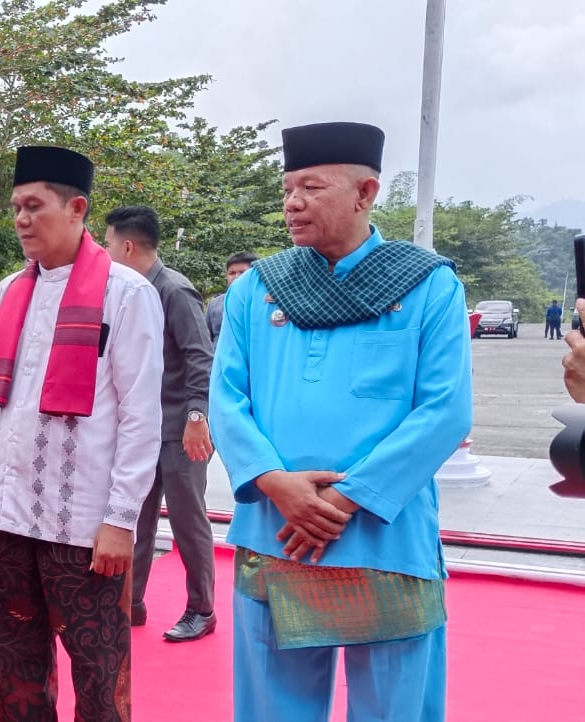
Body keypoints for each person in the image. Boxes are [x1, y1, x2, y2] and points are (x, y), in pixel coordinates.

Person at [211, 122, 472, 721]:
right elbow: (225, 397)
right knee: (273, 704)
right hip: (277, 529)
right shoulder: (258, 288)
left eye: (311, 187)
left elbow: (446, 410)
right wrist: (275, 482)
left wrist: (344, 499)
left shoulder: (428, 285)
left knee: (392, 704)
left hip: (382, 535)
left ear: (365, 192)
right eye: (287, 189)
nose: (292, 202)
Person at [0, 146, 164, 722]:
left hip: (84, 525)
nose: (21, 219)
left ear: (77, 209)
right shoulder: (5, 293)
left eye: (34, 206)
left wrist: (121, 519)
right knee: (18, 669)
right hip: (10, 517)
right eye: (16, 208)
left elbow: (141, 417)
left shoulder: (127, 294)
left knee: (98, 674)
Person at [102, 205, 218, 642]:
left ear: (128, 247)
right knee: (135, 518)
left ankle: (202, 609)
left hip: (179, 429)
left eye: (108, 244)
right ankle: (130, 602)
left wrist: (196, 417)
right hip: (143, 428)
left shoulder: (174, 290)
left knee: (188, 523)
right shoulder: (130, 292)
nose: (105, 252)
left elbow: (199, 357)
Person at [207, 251, 257, 344]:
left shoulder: (264, 303)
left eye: (242, 272)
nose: (236, 277)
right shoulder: (215, 305)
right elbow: (206, 339)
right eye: (232, 273)